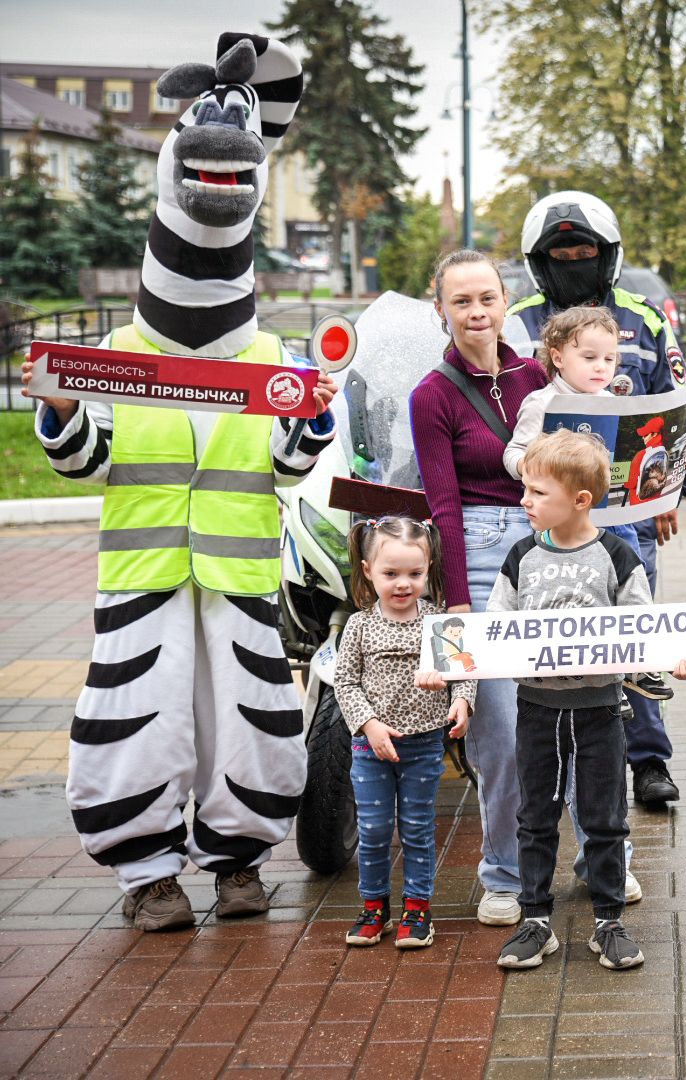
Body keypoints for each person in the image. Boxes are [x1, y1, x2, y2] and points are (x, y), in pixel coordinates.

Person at [22, 33, 328, 931]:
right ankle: (147, 874)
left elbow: (289, 465)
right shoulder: (115, 359)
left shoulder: (272, 358)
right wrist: (64, 410)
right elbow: (86, 459)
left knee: (248, 720)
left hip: (237, 580)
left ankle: (239, 863)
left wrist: (309, 424)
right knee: (138, 720)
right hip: (145, 577)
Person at [507, 190, 686, 809]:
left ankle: (647, 762)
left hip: (629, 514)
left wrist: (669, 490)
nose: (572, 260)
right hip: (548, 515)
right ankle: (556, 762)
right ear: (540, 260)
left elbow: (675, 404)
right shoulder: (518, 322)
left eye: (583, 250)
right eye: (560, 252)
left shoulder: (644, 318)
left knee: (633, 630)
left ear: (607, 255)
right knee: (557, 629)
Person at [490, 430, 686, 972]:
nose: (525, 501)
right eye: (526, 491)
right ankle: (535, 921)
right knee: (534, 815)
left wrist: (675, 659)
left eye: (537, 493)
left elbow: (642, 633)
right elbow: (495, 631)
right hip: (536, 709)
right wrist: (448, 666)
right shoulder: (519, 557)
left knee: (605, 816)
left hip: (601, 710)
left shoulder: (617, 554)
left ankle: (609, 921)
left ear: (580, 501)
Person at [409, 249, 548, 929]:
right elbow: (442, 507)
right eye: (460, 301)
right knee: (499, 732)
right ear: (440, 309)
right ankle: (503, 874)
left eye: (486, 298)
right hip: (478, 560)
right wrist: (457, 599)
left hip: (549, 550)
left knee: (575, 716)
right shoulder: (430, 396)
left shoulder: (540, 377)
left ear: (504, 302)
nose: (476, 312)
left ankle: (601, 859)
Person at [334, 518, 475, 948]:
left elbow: (464, 671)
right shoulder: (359, 626)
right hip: (371, 745)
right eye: (390, 574)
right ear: (367, 569)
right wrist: (369, 725)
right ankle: (374, 906)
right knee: (374, 829)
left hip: (423, 744)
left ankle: (418, 909)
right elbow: (345, 682)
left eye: (414, 574)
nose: (402, 584)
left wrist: (461, 701)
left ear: (429, 568)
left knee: (416, 826)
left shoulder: (440, 623)